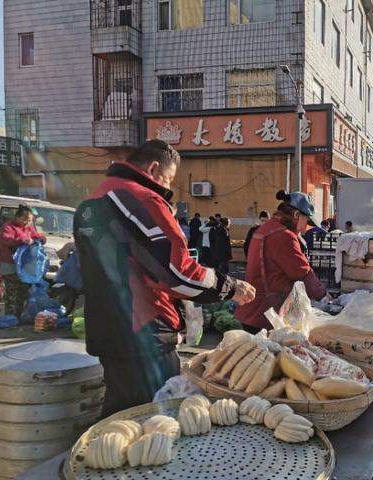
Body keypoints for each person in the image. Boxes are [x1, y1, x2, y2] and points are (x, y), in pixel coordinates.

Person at [74, 140, 255, 417]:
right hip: (144, 334)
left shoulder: (92, 201)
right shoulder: (142, 200)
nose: (169, 187)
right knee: (152, 422)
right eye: (169, 179)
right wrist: (231, 287)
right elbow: (178, 272)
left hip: (106, 329)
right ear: (154, 167)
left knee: (119, 417)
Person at [236, 190, 327, 333]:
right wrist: (324, 295)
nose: (305, 228)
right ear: (296, 215)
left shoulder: (265, 229)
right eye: (306, 221)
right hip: (266, 315)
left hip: (253, 310)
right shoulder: (283, 235)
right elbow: (302, 272)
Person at [0, 205, 46, 319]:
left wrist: (41, 239)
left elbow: (37, 236)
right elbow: (7, 240)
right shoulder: (8, 227)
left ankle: (18, 316)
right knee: (12, 292)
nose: (27, 222)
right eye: (25, 219)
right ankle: (9, 317)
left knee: (22, 291)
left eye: (29, 220)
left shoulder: (28, 228)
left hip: (23, 266)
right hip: (9, 265)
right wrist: (23, 240)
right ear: (17, 217)